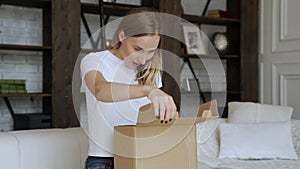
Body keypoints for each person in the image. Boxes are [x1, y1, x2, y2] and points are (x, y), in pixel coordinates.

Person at [80, 8, 177, 169]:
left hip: (143, 155)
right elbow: (101, 90)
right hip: (104, 161)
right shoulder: (95, 60)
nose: (143, 59)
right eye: (137, 49)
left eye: (151, 52)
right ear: (122, 36)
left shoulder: (150, 72)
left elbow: (151, 119)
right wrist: (149, 90)